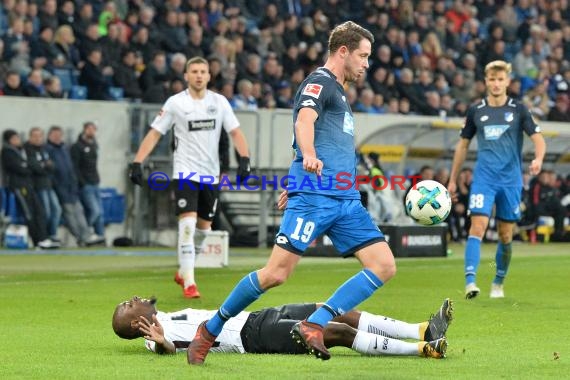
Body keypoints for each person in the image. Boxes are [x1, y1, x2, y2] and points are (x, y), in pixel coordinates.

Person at [188, 21, 397, 365]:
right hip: (315, 196)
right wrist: (309, 157)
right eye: (363, 56)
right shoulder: (320, 82)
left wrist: (299, 171)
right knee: (276, 274)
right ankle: (209, 330)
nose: (366, 64)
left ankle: (315, 323)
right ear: (342, 51)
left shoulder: (340, 92)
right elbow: (304, 121)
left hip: (344, 198)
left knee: (384, 265)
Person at [129, 56, 251, 299]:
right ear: (186, 75)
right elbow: (155, 134)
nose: (198, 75)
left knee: (204, 229)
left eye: (203, 71)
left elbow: (235, 132)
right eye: (194, 71)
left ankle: (183, 271)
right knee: (187, 225)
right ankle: (190, 283)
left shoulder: (219, 102)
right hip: (184, 172)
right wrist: (137, 162)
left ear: (208, 76)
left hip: (210, 174)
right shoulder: (176, 103)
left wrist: (245, 159)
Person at [447, 60, 546, 300]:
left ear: (508, 82)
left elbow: (538, 138)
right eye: (492, 79)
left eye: (500, 79)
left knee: (505, 236)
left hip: (510, 181)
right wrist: (452, 179)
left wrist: (539, 159)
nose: (496, 83)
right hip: (484, 178)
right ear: (486, 81)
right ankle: (470, 281)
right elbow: (462, 147)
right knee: (477, 227)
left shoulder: (518, 109)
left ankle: (498, 282)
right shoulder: (476, 110)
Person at [112, 296, 451, 359]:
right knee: (335, 333)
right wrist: (159, 341)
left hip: (257, 317)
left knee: (331, 309)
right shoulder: (155, 336)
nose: (134, 298)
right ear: (135, 324)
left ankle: (422, 330)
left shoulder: (166, 316)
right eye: (129, 305)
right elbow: (166, 348)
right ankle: (422, 350)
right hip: (254, 337)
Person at [46, 126, 104, 247]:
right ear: (49, 136)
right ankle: (80, 237)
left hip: (71, 187)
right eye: (55, 135)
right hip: (60, 187)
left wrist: (75, 182)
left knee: (79, 211)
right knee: (69, 213)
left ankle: (86, 236)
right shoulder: (48, 149)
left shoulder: (64, 149)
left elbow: (71, 168)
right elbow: (52, 170)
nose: (57, 137)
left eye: (59, 135)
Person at [1, 130, 58, 249]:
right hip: (19, 186)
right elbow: (21, 168)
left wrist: (29, 166)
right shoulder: (7, 152)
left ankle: (44, 238)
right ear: (9, 140)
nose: (18, 140)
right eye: (15, 138)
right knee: (29, 214)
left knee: (40, 211)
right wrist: (29, 166)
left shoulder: (20, 151)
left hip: (28, 185)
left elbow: (29, 165)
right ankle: (38, 240)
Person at [24, 127, 62, 243]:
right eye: (35, 136)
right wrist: (45, 166)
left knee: (57, 210)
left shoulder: (44, 149)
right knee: (45, 213)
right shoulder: (28, 150)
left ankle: (52, 235)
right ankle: (43, 237)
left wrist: (45, 166)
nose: (38, 138)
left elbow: (53, 166)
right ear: (30, 137)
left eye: (40, 136)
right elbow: (34, 167)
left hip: (48, 185)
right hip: (38, 186)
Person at [71, 122, 105, 242]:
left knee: (100, 212)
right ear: (84, 130)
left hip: (95, 182)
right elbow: (75, 167)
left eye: (93, 129)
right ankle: (85, 233)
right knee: (94, 211)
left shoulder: (94, 145)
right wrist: (82, 182)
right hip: (85, 184)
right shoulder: (77, 146)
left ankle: (101, 238)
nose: (91, 131)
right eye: (89, 129)